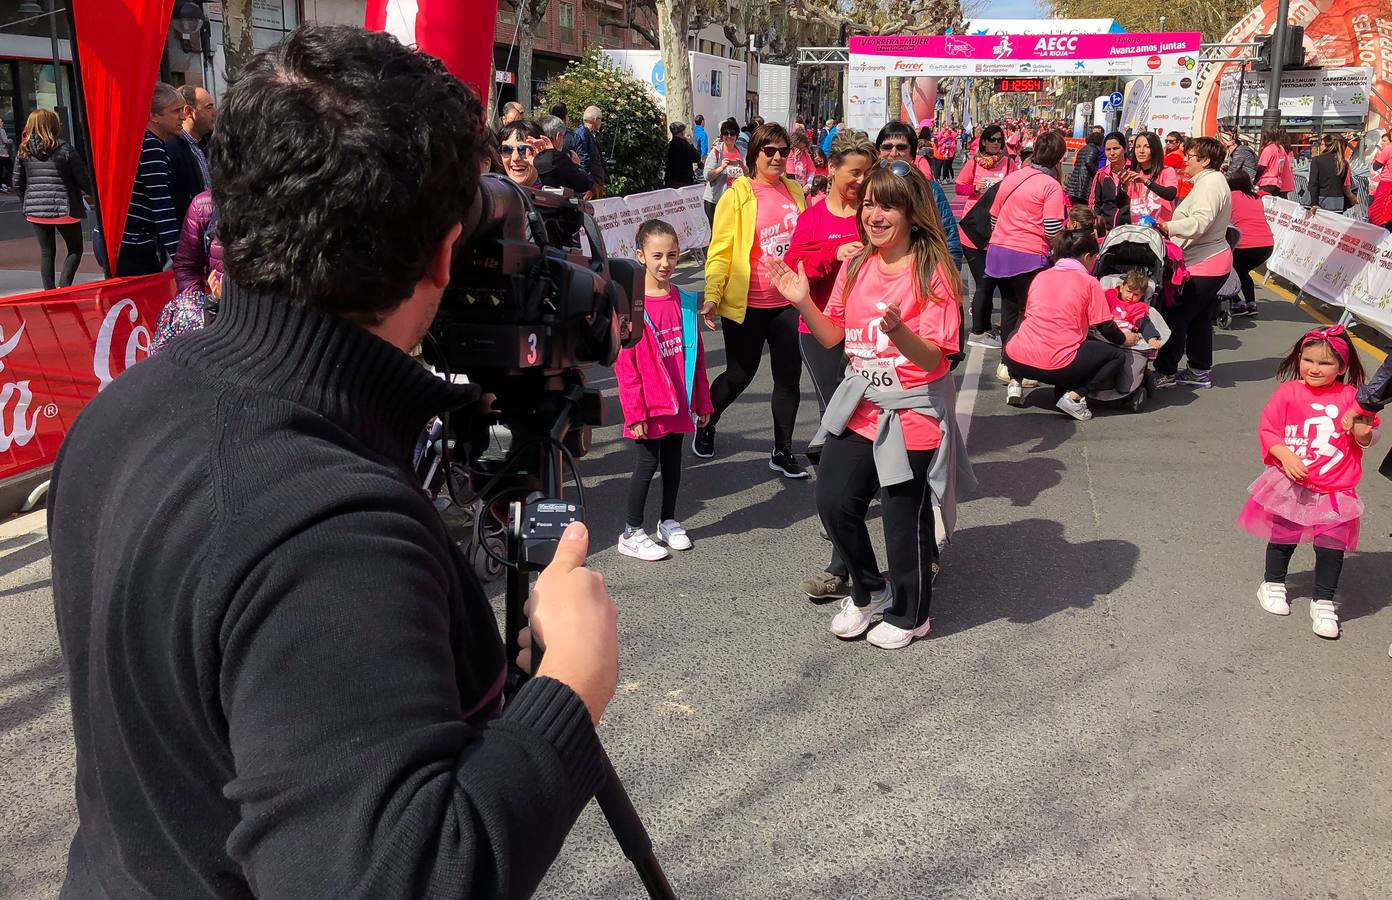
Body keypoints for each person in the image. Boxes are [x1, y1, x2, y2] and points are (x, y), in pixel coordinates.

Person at [49, 24, 616, 898]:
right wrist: (572, 683)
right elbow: (405, 875)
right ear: (440, 253)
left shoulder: (121, 410)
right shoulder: (328, 529)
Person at [765, 162, 970, 649]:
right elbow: (834, 335)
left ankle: (912, 613)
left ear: (911, 212)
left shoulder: (931, 268)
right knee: (834, 503)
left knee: (903, 522)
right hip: (860, 403)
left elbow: (937, 357)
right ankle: (869, 589)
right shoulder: (857, 263)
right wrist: (801, 302)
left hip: (911, 409)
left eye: (888, 205)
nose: (875, 215)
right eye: (870, 204)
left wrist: (900, 332)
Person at [785, 130, 876, 601]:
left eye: (866, 172)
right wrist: (831, 254)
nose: (860, 182)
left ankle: (857, 506)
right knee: (836, 422)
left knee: (873, 425)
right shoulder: (814, 217)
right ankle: (840, 517)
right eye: (853, 172)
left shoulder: (876, 212)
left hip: (870, 334)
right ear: (832, 169)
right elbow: (794, 263)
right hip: (820, 332)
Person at [1240, 326, 1374, 640]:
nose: (1314, 368)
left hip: (1336, 489)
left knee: (1331, 548)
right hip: (1292, 484)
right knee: (1283, 537)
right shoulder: (1288, 392)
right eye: (1308, 359)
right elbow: (1268, 429)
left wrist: (1362, 432)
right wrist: (1284, 455)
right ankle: (1272, 583)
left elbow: (1370, 435)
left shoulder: (1352, 397)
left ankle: (1324, 601)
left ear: (1342, 367)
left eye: (1325, 363)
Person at [698, 122, 809, 476]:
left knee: (789, 377)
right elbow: (720, 250)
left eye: (783, 151)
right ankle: (706, 421)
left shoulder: (795, 191)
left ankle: (783, 449)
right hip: (748, 303)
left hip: (788, 303)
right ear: (755, 155)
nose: (777, 157)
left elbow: (806, 244)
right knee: (739, 375)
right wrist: (713, 295)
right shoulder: (738, 193)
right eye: (769, 151)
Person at [615, 219, 713, 561]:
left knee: (674, 463)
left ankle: (668, 521)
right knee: (645, 465)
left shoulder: (685, 300)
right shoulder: (631, 304)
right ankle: (631, 531)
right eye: (657, 255)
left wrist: (703, 401)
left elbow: (697, 356)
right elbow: (625, 368)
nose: (665, 263)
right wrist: (635, 413)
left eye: (672, 255)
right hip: (648, 405)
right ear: (640, 255)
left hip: (680, 403)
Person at [1002, 227, 1132, 421]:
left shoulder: (1041, 276)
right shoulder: (1089, 282)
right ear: (1088, 256)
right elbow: (1106, 327)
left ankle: (1015, 383)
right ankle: (1075, 396)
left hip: (1016, 359)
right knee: (1116, 355)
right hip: (1058, 365)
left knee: (1020, 332)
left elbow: (1030, 313)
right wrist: (1125, 339)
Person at [987, 130, 1068, 406]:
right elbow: (1052, 228)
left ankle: (1005, 363)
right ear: (1060, 157)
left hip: (998, 253)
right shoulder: (1051, 186)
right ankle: (1018, 367)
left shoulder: (1013, 177)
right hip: (1028, 255)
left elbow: (993, 216)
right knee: (1027, 312)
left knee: (1009, 310)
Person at [1154, 136, 1232, 390]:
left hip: (1205, 263)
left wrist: (1168, 226)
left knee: (1177, 316)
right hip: (1208, 260)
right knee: (1198, 317)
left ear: (1205, 160)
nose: (1185, 159)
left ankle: (1165, 370)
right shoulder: (1210, 182)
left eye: (1190, 155)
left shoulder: (1210, 184)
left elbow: (1200, 222)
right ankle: (1198, 369)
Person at [12, 108, 92, 291]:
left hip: (35, 209)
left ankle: (49, 291)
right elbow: (84, 180)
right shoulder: (65, 149)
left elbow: (17, 182)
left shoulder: (23, 151)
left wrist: (27, 201)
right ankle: (64, 288)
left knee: (47, 252)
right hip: (64, 207)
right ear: (54, 125)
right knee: (75, 249)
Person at [956, 123, 1017, 348]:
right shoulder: (974, 163)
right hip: (973, 229)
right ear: (983, 141)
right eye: (991, 139)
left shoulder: (1009, 163)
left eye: (999, 140)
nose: (995, 143)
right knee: (984, 281)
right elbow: (960, 187)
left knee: (992, 282)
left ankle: (986, 328)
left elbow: (1017, 187)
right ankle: (979, 331)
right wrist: (975, 187)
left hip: (998, 230)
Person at [117, 82, 183, 276]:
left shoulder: (142, 142)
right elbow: (162, 206)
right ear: (154, 116)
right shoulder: (152, 147)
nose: (183, 116)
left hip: (127, 239)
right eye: (175, 111)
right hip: (134, 242)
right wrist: (181, 258)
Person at [876, 122, 963, 269]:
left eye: (901, 147)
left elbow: (950, 239)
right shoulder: (868, 187)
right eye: (887, 147)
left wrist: (948, 277)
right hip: (880, 276)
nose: (893, 153)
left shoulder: (929, 190)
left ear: (912, 154)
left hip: (922, 274)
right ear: (879, 151)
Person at [1227, 171, 1273, 318]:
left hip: (1244, 243)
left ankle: (1237, 302)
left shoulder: (1230, 197)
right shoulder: (1256, 197)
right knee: (1242, 271)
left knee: (1227, 270)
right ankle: (1251, 303)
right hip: (1266, 244)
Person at [166, 85, 213, 225]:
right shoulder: (172, 150)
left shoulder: (208, 144)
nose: (215, 112)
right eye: (208, 107)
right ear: (189, 111)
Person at [1119, 132, 1179, 224]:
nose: (1141, 151)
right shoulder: (1132, 173)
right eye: (1138, 146)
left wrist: (1145, 181)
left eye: (1147, 147)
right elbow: (1120, 205)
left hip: (1160, 232)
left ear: (1155, 149)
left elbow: (1170, 194)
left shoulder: (1166, 171)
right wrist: (1124, 186)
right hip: (1138, 231)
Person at [535, 114, 593, 194]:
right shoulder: (561, 160)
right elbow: (584, 184)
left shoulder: (527, 155)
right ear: (558, 136)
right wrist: (577, 166)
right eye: (563, 136)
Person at [1105, 270, 1163, 350]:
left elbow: (1144, 323)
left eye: (1136, 294)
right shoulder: (1110, 295)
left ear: (1142, 295)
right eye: (1128, 291)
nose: (1131, 296)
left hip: (1123, 332)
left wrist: (1151, 339)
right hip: (1105, 327)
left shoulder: (1137, 307)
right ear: (1121, 288)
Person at [702, 119, 745, 225]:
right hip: (715, 200)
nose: (729, 136)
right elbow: (707, 176)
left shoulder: (742, 152)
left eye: (732, 133)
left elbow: (749, 175)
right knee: (717, 234)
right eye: (725, 133)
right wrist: (721, 168)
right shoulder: (716, 152)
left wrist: (743, 167)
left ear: (737, 136)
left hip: (735, 200)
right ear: (721, 136)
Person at [1089, 131, 1131, 232]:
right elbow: (1094, 203)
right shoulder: (1101, 173)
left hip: (1130, 229)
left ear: (1125, 149)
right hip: (1106, 230)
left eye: (1116, 148)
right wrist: (1095, 224)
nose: (1112, 153)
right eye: (1108, 149)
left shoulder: (1134, 171)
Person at [1306, 134, 1356, 213]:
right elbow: (1345, 185)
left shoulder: (1317, 160)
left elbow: (1313, 183)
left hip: (1319, 201)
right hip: (1336, 203)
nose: (1320, 146)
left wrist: (1314, 203)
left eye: (1322, 144)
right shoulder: (1344, 163)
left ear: (1328, 146)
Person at [573, 105, 606, 194]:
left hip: (594, 183)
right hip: (590, 186)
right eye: (600, 119)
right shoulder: (582, 134)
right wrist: (590, 182)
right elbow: (583, 159)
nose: (601, 122)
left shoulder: (587, 133)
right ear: (595, 119)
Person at [499, 120, 542, 187]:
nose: (515, 158)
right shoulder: (493, 194)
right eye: (507, 150)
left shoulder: (556, 194)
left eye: (524, 150)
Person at [1067, 129, 1103, 207]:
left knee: (1076, 204)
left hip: (1076, 179)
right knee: (1083, 204)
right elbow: (1088, 162)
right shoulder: (1094, 149)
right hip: (1084, 180)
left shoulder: (1083, 148)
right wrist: (1097, 173)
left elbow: (1077, 162)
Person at [664, 121, 702, 188]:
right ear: (682, 132)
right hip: (684, 181)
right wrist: (690, 143)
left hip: (670, 180)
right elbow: (697, 158)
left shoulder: (669, 145)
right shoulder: (685, 145)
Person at [1256, 126, 1291, 197]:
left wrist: (1255, 181)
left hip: (1267, 182)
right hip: (1277, 183)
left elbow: (1261, 167)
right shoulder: (1281, 149)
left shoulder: (1268, 149)